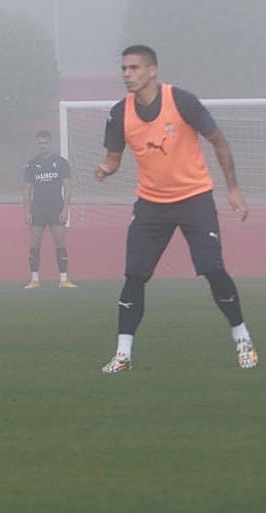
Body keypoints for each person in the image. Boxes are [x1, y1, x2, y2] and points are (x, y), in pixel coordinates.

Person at [94, 44, 256, 373]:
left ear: (152, 70)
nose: (127, 74)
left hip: (194, 198)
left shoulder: (182, 101)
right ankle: (123, 354)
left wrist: (234, 190)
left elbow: (219, 140)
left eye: (134, 68)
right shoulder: (119, 113)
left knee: (212, 268)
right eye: (124, 68)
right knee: (134, 275)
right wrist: (105, 169)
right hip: (151, 203)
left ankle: (243, 339)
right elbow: (113, 159)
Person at [21, 129, 76, 289]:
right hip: (38, 209)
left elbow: (67, 187)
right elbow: (27, 189)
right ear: (36, 144)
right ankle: (34, 279)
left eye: (45, 143)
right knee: (35, 243)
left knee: (60, 243)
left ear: (50, 143)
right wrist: (27, 211)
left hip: (56, 208)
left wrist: (65, 209)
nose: (42, 146)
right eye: (40, 143)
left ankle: (64, 279)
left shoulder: (61, 163)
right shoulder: (31, 164)